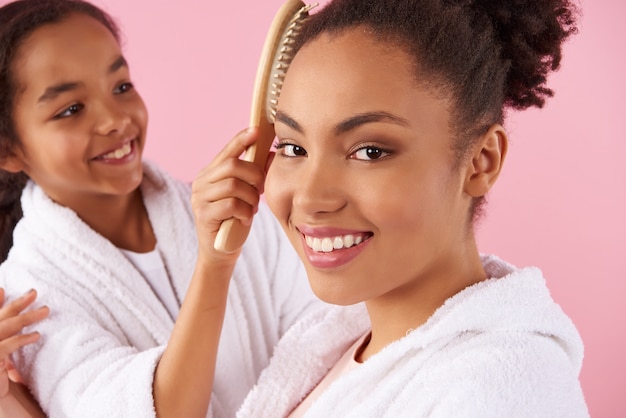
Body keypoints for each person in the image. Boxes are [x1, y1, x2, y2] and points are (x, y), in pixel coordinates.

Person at [235, 0, 590, 416]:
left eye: (369, 151)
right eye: (293, 147)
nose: (311, 199)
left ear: (481, 161)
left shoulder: (494, 394)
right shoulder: (343, 350)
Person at [0, 0, 319, 417]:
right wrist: (214, 263)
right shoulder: (28, 301)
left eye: (121, 87)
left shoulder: (228, 212)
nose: (115, 119)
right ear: (8, 151)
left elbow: (329, 330)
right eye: (71, 109)